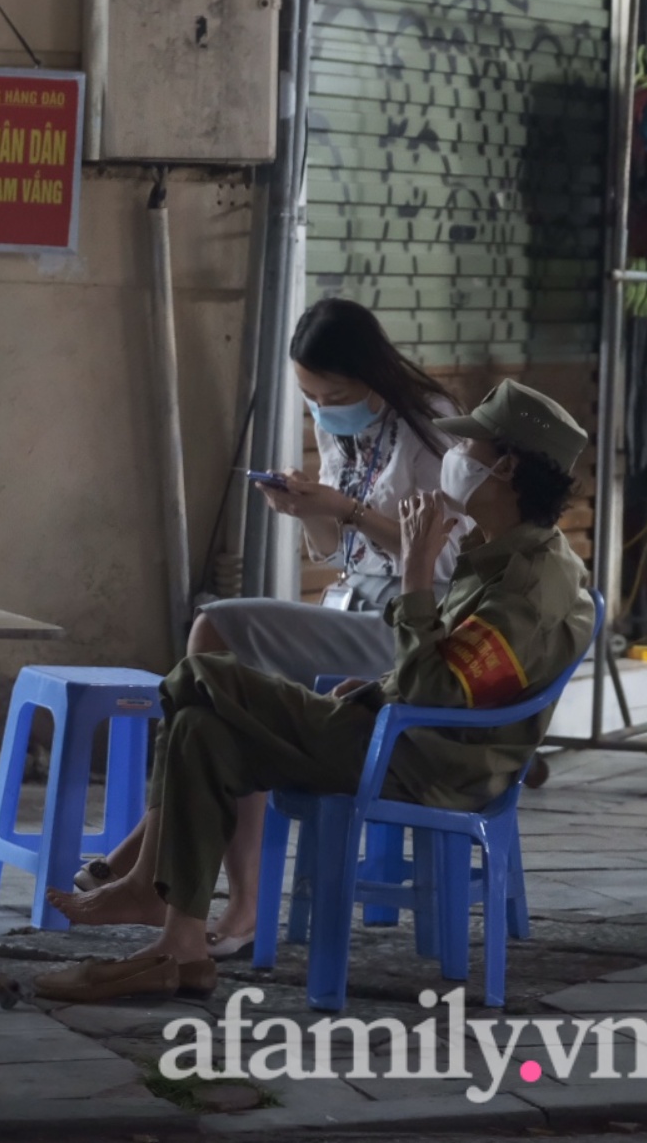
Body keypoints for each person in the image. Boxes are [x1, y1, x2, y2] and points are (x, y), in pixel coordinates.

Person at [35, 380, 594, 1002]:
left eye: (472, 449)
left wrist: (413, 572)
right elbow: (432, 675)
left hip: (427, 761)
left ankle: (145, 881)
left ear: (507, 467)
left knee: (202, 676)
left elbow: (435, 689)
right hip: (399, 733)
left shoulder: (530, 586)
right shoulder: (498, 554)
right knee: (200, 730)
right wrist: (378, 688)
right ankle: (182, 949)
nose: (456, 458)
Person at [74, 298, 463, 957]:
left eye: (335, 392)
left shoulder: (434, 427)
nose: (324, 405)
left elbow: (440, 556)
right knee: (225, 666)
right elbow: (330, 551)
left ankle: (159, 863)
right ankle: (222, 894)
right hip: (355, 601)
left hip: (415, 620)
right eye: (312, 394)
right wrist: (306, 508)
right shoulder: (342, 426)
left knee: (218, 638)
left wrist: (347, 509)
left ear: (374, 374)